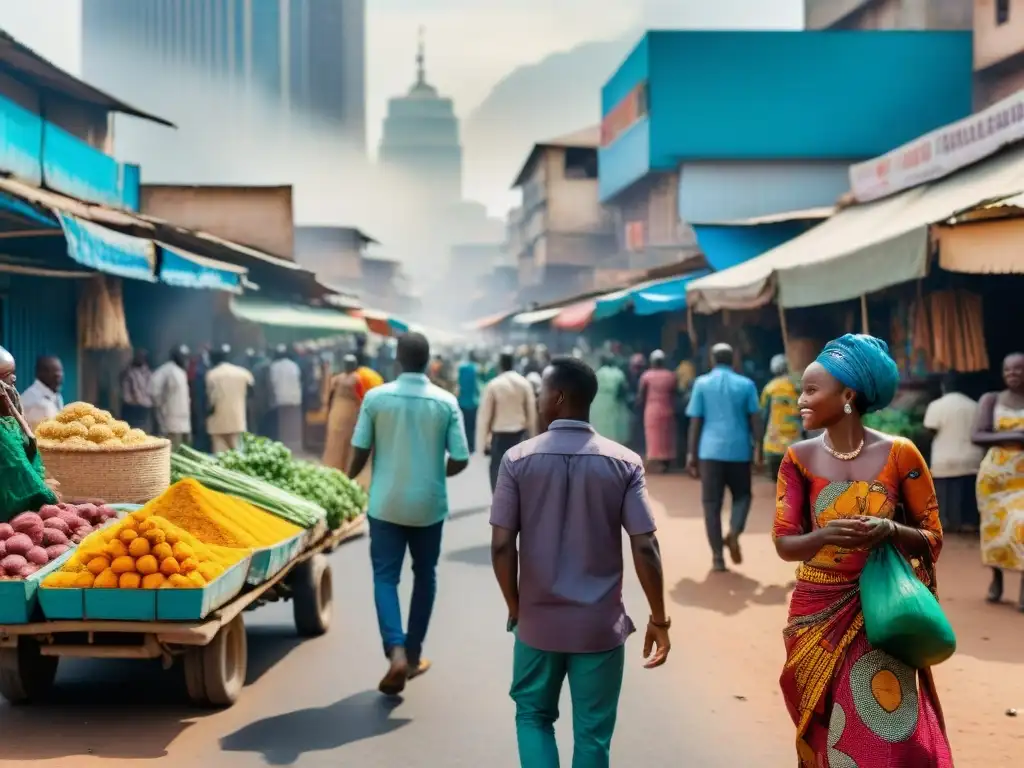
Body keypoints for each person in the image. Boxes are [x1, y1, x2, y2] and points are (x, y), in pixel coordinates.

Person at [773, 333, 952, 766]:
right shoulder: (796, 459)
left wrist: (889, 528)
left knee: (883, 723)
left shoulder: (900, 455)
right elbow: (784, 543)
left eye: (812, 390)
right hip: (816, 608)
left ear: (848, 395)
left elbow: (933, 537)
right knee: (825, 725)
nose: (801, 399)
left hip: (879, 608)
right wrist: (825, 536)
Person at [490, 357, 670, 768]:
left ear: (557, 397)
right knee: (593, 734)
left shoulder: (517, 460)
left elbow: (502, 545)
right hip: (598, 628)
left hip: (537, 624)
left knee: (533, 717)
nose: (536, 401)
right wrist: (659, 618)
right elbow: (645, 546)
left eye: (540, 394)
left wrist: (517, 609)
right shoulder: (624, 463)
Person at [348, 332, 470, 696]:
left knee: (386, 577)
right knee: (425, 575)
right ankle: (414, 655)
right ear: (428, 359)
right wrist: (435, 475)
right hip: (428, 506)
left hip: (385, 504)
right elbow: (461, 458)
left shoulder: (376, 398)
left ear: (398, 360)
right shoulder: (446, 401)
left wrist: (346, 479)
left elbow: (360, 451)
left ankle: (396, 651)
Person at [686, 343, 760, 571]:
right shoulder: (746, 384)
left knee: (711, 505)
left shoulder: (701, 383)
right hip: (739, 450)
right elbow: (755, 419)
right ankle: (734, 531)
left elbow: (696, 421)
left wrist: (691, 454)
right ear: (733, 359)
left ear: (712, 359)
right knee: (743, 496)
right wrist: (758, 447)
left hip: (709, 452)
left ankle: (718, 558)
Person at [973, 351, 1024, 609]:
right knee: (995, 530)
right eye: (1008, 370)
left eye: (1018, 369)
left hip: (1022, 478)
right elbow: (977, 435)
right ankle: (997, 578)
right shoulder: (991, 400)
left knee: (1022, 524)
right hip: (994, 479)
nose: (1012, 375)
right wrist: (1017, 436)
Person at [921, 372, 982, 535]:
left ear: (943, 387)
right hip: (972, 459)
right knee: (967, 494)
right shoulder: (975, 405)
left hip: (945, 459)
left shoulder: (937, 405)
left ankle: (947, 525)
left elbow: (930, 430)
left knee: (946, 496)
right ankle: (967, 524)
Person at [477, 351, 538, 492]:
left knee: (498, 477)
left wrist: (483, 443)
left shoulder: (494, 385)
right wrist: (534, 438)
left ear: (500, 365)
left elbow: (485, 416)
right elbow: (531, 414)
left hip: (499, 438)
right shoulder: (524, 384)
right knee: (520, 477)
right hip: (520, 437)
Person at [322, 354, 382, 488]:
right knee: (347, 441)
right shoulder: (357, 379)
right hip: (350, 413)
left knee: (334, 440)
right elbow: (361, 396)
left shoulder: (336, 379)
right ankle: (345, 470)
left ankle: (332, 467)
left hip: (336, 411)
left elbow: (329, 396)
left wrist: (327, 410)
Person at [760, 353, 802, 481]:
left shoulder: (769, 388)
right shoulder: (797, 386)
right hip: (795, 440)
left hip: (773, 443)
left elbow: (763, 414)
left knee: (777, 479)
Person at [205, 345, 254, 453]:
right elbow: (251, 392)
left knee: (220, 454)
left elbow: (210, 400)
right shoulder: (242, 372)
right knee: (237, 452)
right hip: (237, 419)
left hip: (217, 422)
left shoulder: (212, 375)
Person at [638, 350, 678, 472]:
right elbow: (675, 393)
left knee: (653, 435)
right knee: (666, 436)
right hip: (667, 408)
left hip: (652, 409)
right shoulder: (671, 375)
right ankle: (665, 462)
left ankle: (654, 461)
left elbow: (641, 395)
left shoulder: (646, 376)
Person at [150, 346, 192, 448]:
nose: (185, 359)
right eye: (182, 357)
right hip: (171, 418)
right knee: (171, 448)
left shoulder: (181, 371)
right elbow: (154, 389)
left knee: (183, 448)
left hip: (184, 419)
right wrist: (160, 404)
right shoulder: (167, 370)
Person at [268, 344, 303, 452]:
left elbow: (272, 383)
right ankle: (296, 447)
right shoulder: (294, 365)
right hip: (295, 398)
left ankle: (284, 448)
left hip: (280, 399)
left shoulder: (274, 366)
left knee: (283, 425)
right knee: (294, 425)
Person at [591, 355, 631, 444]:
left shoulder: (598, 373)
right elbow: (623, 389)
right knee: (614, 427)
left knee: (600, 425)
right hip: (614, 402)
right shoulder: (618, 373)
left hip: (599, 402)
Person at [21, 355, 64, 430]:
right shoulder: (33, 401)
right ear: (42, 374)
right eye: (56, 376)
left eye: (61, 376)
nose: (59, 381)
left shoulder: (55, 395)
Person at [120, 348, 154, 431]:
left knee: (145, 432)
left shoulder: (148, 372)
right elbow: (126, 393)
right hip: (131, 407)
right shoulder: (128, 372)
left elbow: (150, 390)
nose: (140, 359)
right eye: (139, 357)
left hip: (144, 408)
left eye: (143, 357)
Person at [456, 352, 481, 453]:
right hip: (473, 402)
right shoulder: (476, 368)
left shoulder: (461, 368)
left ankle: (464, 445)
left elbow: (458, 384)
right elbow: (477, 386)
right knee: (472, 427)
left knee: (463, 425)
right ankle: (472, 447)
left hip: (462, 401)